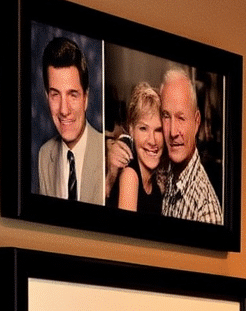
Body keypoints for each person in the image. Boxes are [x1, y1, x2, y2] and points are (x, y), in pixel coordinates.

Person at [37, 37, 105, 204]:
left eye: (72, 95)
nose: (64, 110)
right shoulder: (44, 156)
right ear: (47, 97)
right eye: (55, 95)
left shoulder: (105, 153)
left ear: (85, 98)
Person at [159, 69, 222, 224]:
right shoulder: (168, 173)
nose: (173, 131)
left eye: (181, 118)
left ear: (197, 122)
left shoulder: (205, 211)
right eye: (166, 116)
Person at [105, 82, 166, 214]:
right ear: (131, 130)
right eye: (143, 129)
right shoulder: (130, 176)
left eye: (158, 130)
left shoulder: (155, 186)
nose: (152, 140)